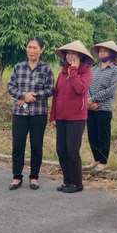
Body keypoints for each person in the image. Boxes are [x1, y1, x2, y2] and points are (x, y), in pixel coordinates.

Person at [6, 36, 54, 190]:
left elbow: (50, 89)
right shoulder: (18, 67)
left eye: (35, 48)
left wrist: (30, 97)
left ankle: (34, 177)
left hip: (38, 113)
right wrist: (22, 96)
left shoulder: (46, 69)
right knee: (18, 145)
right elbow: (10, 86)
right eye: (29, 47)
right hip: (20, 112)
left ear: (41, 50)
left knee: (36, 145)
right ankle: (17, 177)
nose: (31, 50)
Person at [50, 40, 94, 193]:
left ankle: (77, 183)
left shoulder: (86, 71)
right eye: (68, 54)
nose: (70, 57)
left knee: (72, 150)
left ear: (81, 56)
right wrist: (53, 116)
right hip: (61, 117)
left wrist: (74, 70)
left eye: (73, 54)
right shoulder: (63, 72)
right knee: (61, 150)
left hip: (76, 117)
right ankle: (67, 181)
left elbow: (81, 88)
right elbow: (57, 95)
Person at [86, 41, 117, 171]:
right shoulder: (93, 69)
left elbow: (111, 90)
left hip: (104, 108)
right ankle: (96, 160)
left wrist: (93, 99)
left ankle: (103, 161)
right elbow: (87, 86)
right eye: (100, 51)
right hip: (90, 107)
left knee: (103, 135)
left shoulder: (115, 70)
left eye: (105, 51)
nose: (102, 53)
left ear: (111, 54)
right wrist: (89, 101)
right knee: (92, 134)